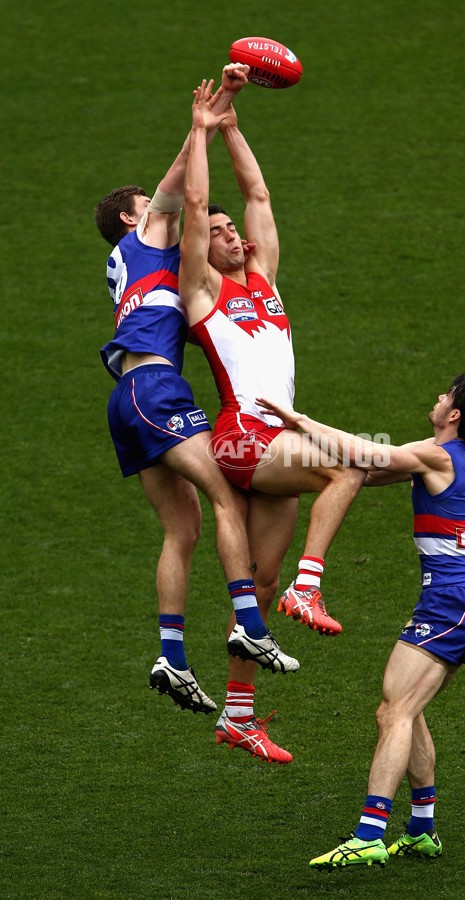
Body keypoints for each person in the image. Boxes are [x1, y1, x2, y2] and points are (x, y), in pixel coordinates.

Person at [94, 66, 298, 725]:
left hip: (127, 396)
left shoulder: (128, 264)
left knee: (181, 528)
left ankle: (171, 654)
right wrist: (206, 122)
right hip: (155, 385)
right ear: (131, 215)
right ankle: (248, 621)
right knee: (224, 497)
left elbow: (210, 179)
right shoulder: (147, 230)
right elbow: (186, 182)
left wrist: (221, 113)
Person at [178, 78, 366, 762]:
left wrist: (232, 127)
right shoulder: (201, 291)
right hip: (242, 437)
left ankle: (237, 714)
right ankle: (309, 588)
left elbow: (256, 195)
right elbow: (198, 203)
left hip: (271, 441)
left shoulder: (267, 282)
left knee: (255, 584)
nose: (235, 238)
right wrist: (200, 127)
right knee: (344, 468)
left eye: (235, 234)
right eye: (223, 235)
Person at [256, 374, 465, 867]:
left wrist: (298, 422)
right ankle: (421, 830)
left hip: (452, 603)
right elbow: (363, 470)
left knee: (393, 712)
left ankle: (370, 833)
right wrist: (296, 470)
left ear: (454, 415)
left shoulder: (435, 456)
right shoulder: (451, 455)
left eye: (445, 396)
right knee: (409, 709)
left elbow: (366, 456)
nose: (436, 398)